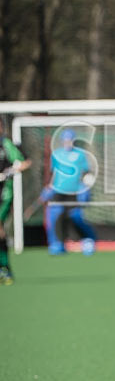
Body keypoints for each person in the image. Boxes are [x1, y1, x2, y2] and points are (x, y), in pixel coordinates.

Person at [45, 129, 97, 256]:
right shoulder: (56, 154)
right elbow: (54, 174)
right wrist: (48, 188)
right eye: (66, 140)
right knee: (56, 216)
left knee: (75, 216)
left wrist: (85, 186)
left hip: (74, 191)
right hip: (58, 190)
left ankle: (88, 240)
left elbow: (86, 172)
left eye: (70, 140)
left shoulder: (80, 154)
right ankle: (57, 244)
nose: (68, 142)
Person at [0, 118, 33, 285]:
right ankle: (4, 268)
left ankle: (5, 269)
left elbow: (26, 162)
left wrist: (9, 172)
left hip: (4, 193)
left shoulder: (6, 144)